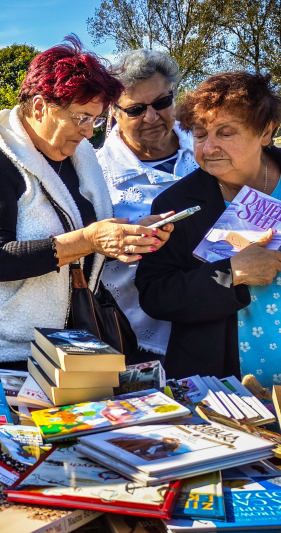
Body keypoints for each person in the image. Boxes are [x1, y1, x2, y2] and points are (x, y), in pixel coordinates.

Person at [0, 37, 173, 366]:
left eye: (96, 119)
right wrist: (89, 240)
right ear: (38, 107)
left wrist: (124, 235)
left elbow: (80, 233)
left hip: (62, 344)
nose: (90, 132)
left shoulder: (78, 158)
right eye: (81, 118)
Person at [136, 72, 281, 384]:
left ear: (266, 131)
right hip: (224, 390)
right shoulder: (176, 203)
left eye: (226, 133)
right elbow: (156, 295)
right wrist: (232, 273)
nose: (210, 147)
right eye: (200, 135)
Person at [97, 50, 198, 362]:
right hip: (131, 336)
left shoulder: (208, 150)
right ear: (113, 111)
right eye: (136, 109)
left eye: (162, 103)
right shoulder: (96, 174)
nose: (152, 117)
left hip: (215, 322)